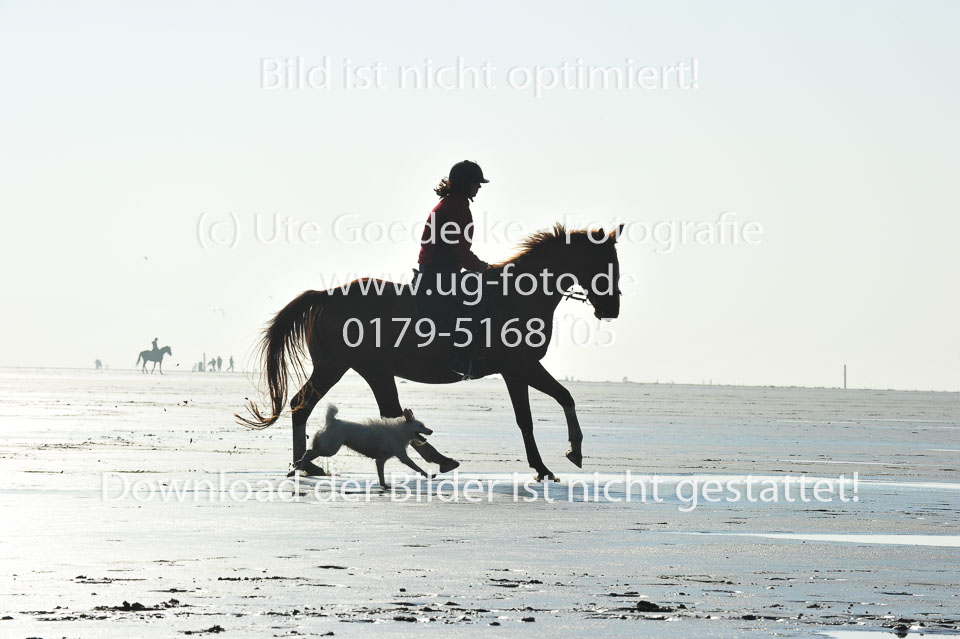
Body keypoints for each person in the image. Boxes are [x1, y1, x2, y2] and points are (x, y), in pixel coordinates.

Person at [417, 160, 493, 379]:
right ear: (464, 184)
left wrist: (476, 265)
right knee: (477, 298)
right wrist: (479, 266)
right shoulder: (456, 205)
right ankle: (460, 357)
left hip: (441, 267)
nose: (478, 187)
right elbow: (457, 245)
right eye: (476, 183)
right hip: (440, 270)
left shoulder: (451, 203)